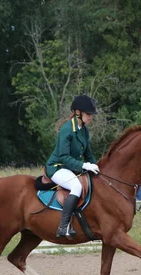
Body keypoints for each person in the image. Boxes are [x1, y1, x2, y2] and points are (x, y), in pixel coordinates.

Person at [45, 95, 100, 238]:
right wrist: (83, 165)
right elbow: (63, 156)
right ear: (77, 112)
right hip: (57, 167)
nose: (91, 117)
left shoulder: (84, 130)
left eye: (91, 114)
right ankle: (63, 227)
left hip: (71, 168)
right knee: (77, 186)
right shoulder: (67, 129)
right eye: (88, 114)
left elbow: (89, 154)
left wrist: (96, 167)